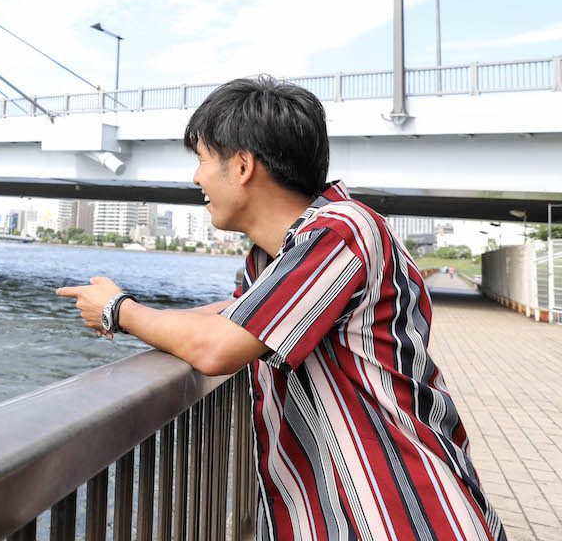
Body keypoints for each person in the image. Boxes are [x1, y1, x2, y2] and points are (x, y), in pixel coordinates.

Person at [56, 76, 504, 541]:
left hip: (402, 512)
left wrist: (118, 310)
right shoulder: (274, 259)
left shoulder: (341, 231)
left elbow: (218, 348)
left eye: (203, 159)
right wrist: (128, 307)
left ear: (243, 165)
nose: (196, 178)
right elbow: (230, 314)